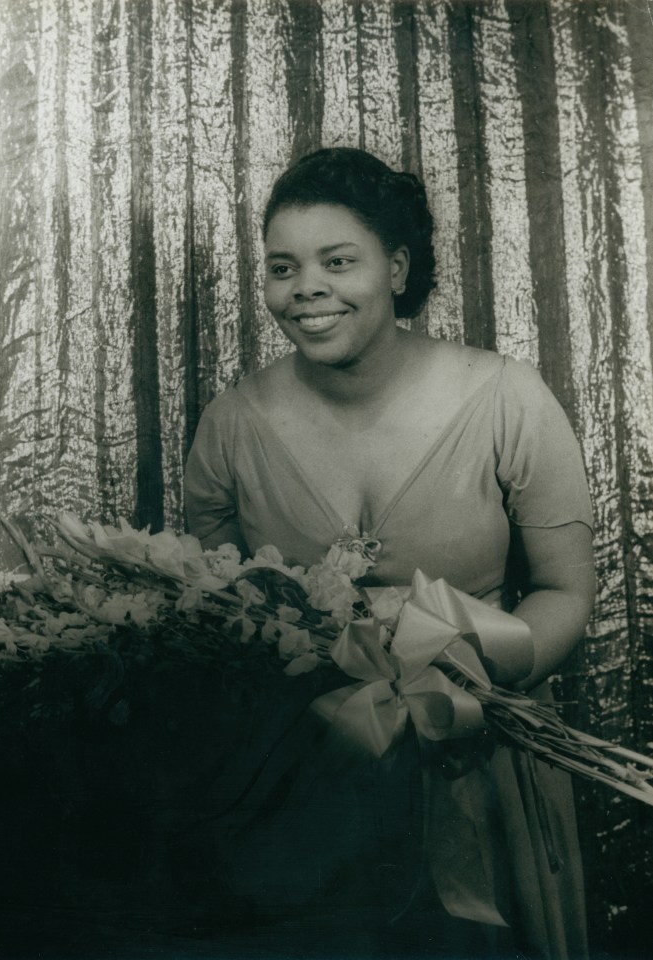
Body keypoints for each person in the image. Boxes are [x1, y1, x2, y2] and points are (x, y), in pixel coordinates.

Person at [183, 147, 596, 959]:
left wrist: (470, 682)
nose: (305, 287)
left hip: (479, 754)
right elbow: (214, 614)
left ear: (397, 267)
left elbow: (564, 593)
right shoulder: (230, 425)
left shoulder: (508, 398)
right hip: (300, 773)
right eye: (281, 267)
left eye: (338, 261)